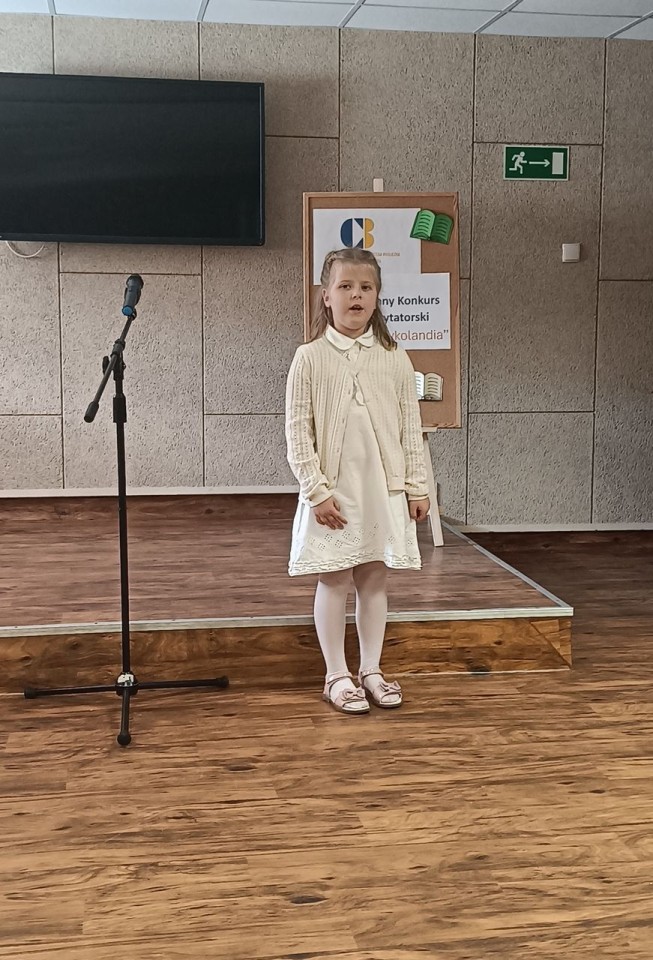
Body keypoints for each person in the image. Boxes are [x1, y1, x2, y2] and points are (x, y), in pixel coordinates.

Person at [285, 247, 430, 715]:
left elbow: (410, 428)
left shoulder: (394, 357)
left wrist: (417, 486)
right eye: (345, 286)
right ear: (326, 296)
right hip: (335, 492)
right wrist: (316, 491)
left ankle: (371, 670)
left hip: (381, 489)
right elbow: (297, 433)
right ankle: (336, 674)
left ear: (377, 296)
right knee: (334, 578)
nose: (356, 295)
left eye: (366, 287)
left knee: (374, 578)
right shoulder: (309, 358)